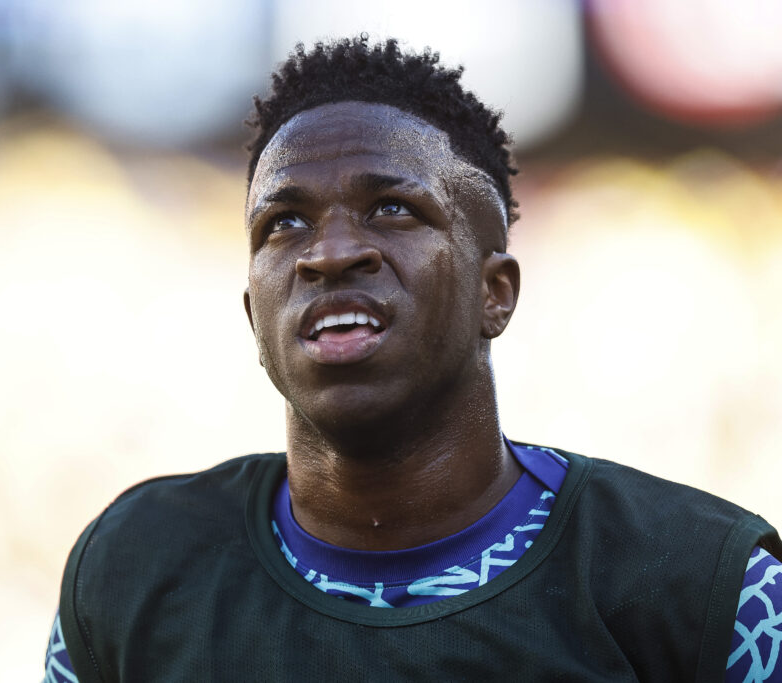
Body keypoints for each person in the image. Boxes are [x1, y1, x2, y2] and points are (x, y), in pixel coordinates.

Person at [44, 37, 782, 682]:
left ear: (496, 291)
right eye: (285, 221)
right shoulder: (131, 569)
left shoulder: (709, 585)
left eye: (393, 208)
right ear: (252, 313)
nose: (330, 253)